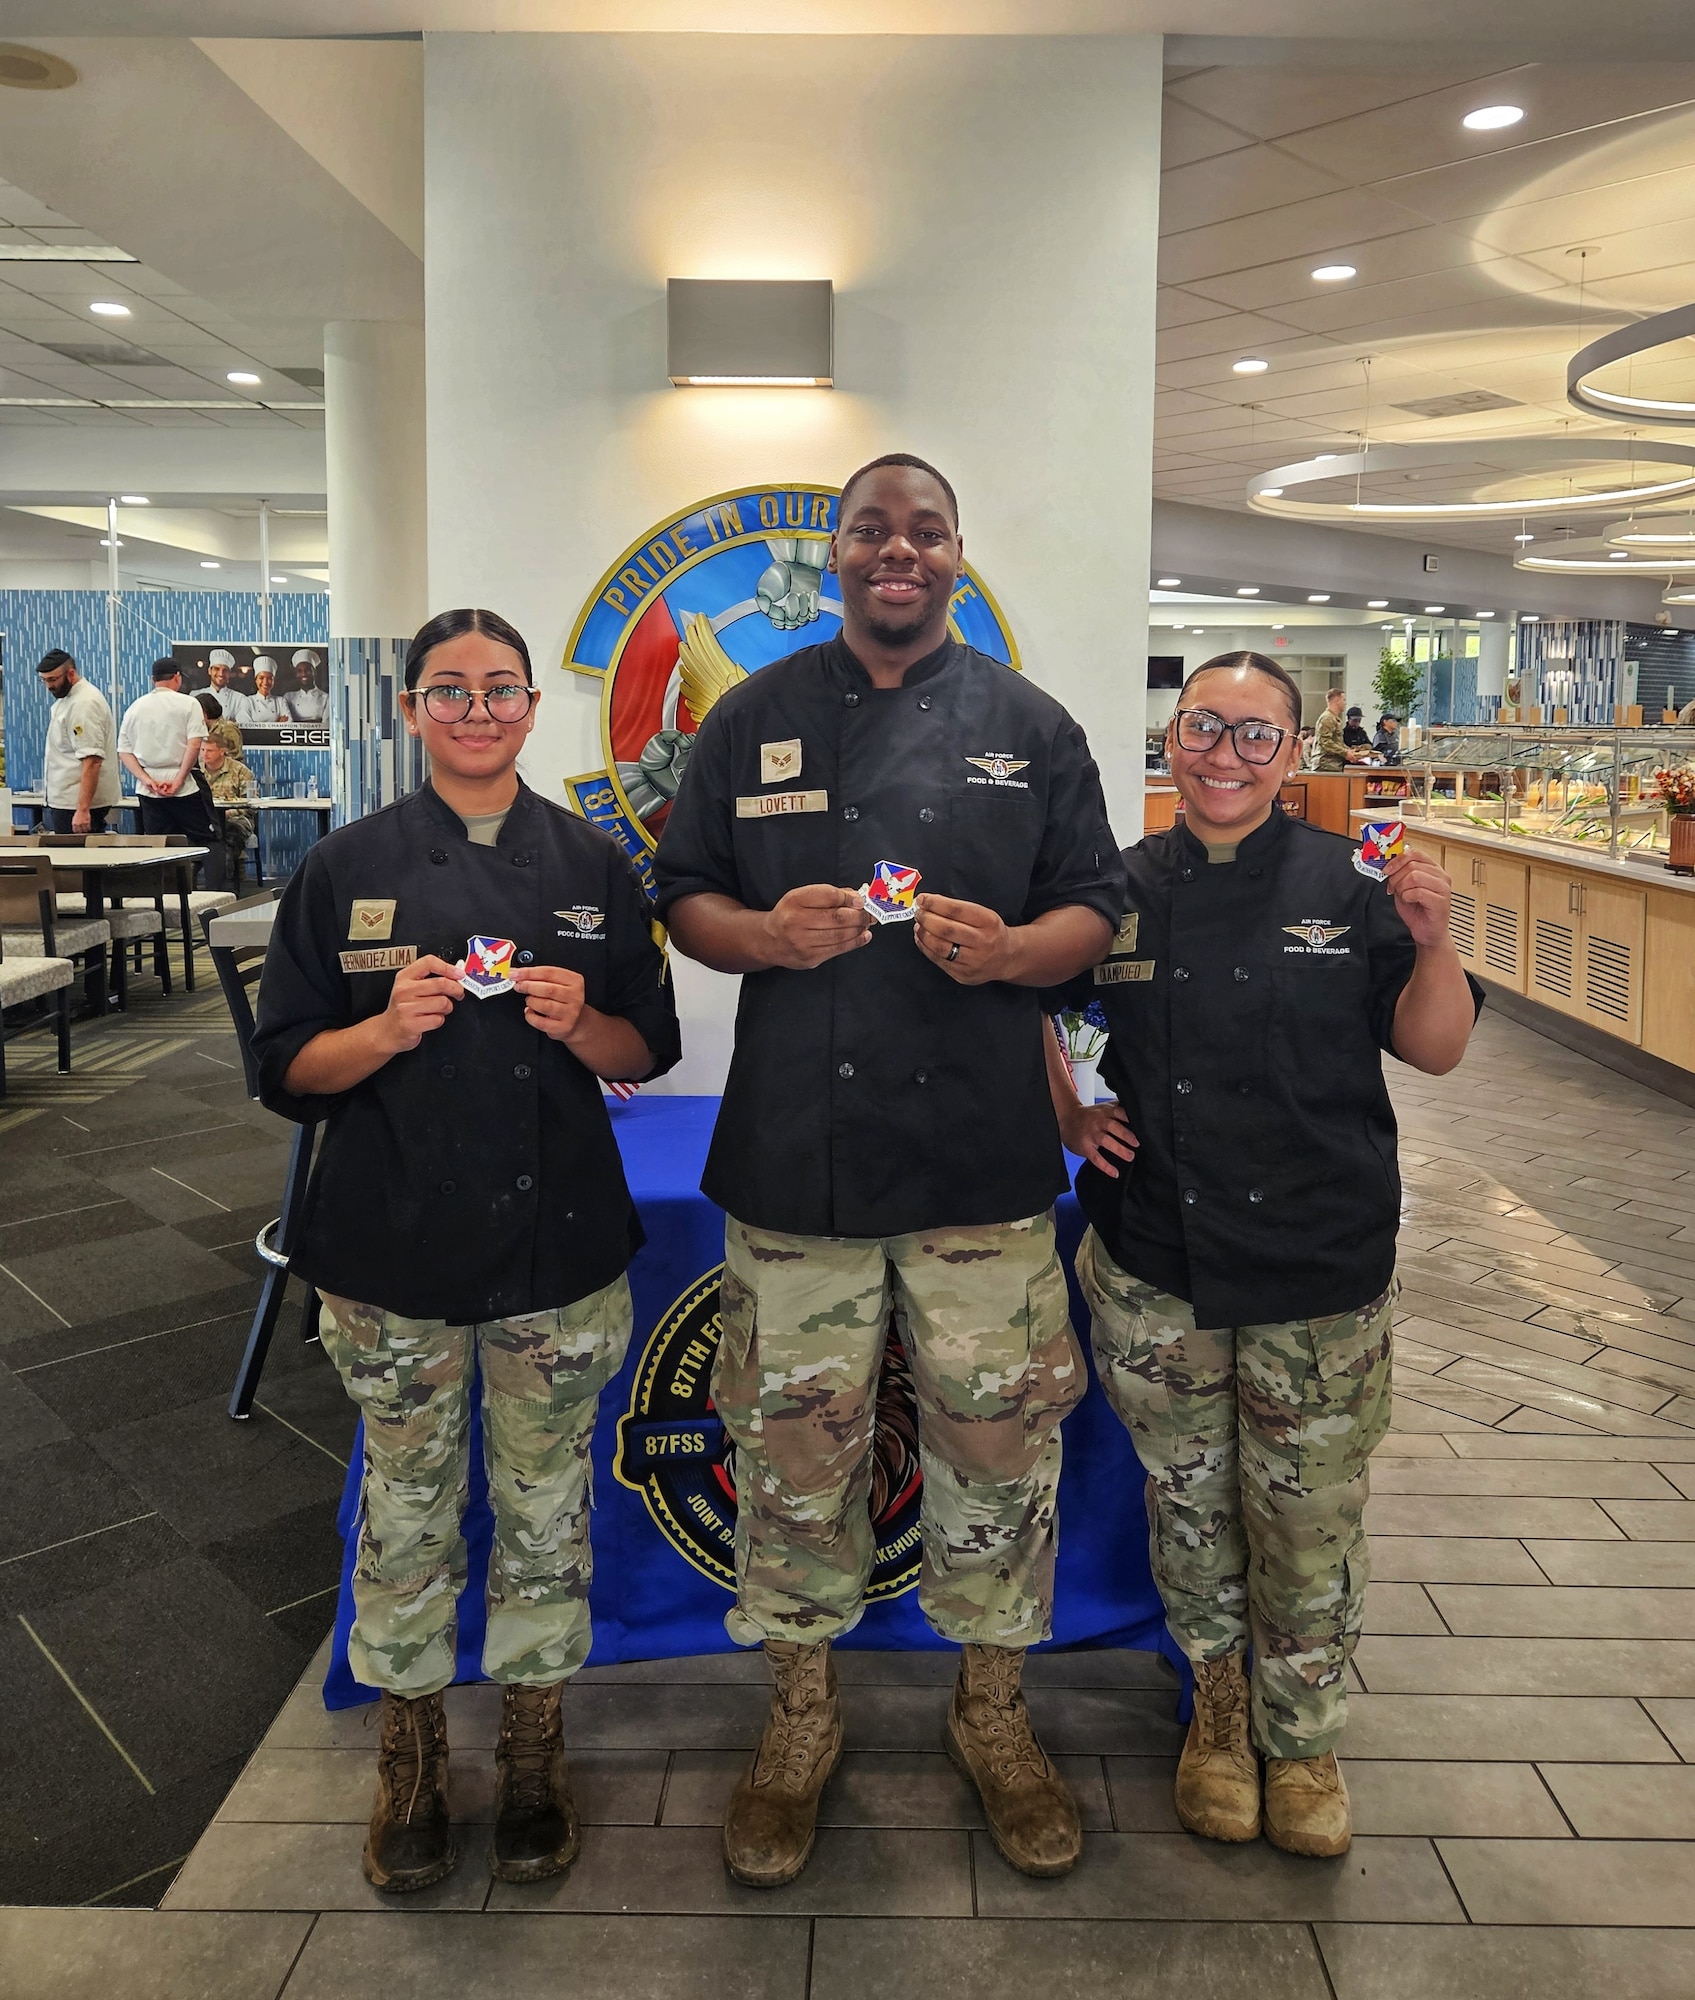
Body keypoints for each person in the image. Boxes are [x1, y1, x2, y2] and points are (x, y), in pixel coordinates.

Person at [653, 454, 1124, 1888]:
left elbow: (1094, 908)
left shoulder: (1028, 726)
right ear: (839, 554)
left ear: (955, 556)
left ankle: (992, 1711)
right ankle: (799, 1718)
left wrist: (1014, 955)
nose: (896, 553)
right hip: (796, 1153)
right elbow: (680, 896)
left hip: (979, 1161)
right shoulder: (753, 715)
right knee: (794, 1457)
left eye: (922, 533)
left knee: (993, 1445)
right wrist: (759, 937)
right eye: (871, 532)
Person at [251, 606, 680, 1895]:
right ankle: (415, 1747)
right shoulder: (344, 867)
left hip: (555, 1244)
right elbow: (283, 1069)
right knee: (406, 1510)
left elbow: (645, 1050)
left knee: (549, 1509)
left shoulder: (596, 861)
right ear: (413, 709)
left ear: (533, 707)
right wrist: (382, 1033)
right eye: (451, 689)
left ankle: (537, 1740)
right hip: (390, 1249)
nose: (478, 709)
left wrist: (582, 1016)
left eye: (501, 689)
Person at [1045, 649, 1480, 1861]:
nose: (1224, 754)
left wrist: (1437, 943)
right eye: (1202, 727)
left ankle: (1307, 1734)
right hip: (1158, 1261)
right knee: (1190, 1503)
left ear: (1293, 754)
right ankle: (1220, 1712)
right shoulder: (1114, 883)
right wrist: (1075, 1107)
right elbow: (1060, 1008)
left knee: (1308, 1514)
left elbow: (1435, 1049)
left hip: (1316, 1262)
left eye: (1254, 734)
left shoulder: (1353, 884)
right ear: (1169, 738)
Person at [117, 659, 216, 843]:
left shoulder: (135, 707)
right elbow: (194, 745)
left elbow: (124, 751)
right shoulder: (190, 703)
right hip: (185, 785)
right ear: (177, 677)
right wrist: (178, 780)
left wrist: (147, 780)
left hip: (150, 789)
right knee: (206, 841)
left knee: (160, 845)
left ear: (152, 679)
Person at [36, 649, 121, 834]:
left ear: (71, 673)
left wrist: (82, 810)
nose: (48, 686)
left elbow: (92, 761)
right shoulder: (67, 700)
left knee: (77, 861)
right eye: (44, 680)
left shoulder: (84, 703)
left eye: (53, 680)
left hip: (78, 805)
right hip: (68, 801)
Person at [200, 718, 257, 891]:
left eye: (209, 750)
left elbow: (251, 805)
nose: (204, 754)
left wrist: (228, 813)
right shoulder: (195, 772)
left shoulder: (241, 772)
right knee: (187, 841)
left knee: (227, 841)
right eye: (202, 750)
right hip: (205, 821)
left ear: (222, 751)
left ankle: (226, 890)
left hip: (236, 819)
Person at [222, 657, 288, 728]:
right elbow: (245, 725)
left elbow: (289, 724)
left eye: (269, 678)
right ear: (256, 680)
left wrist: (255, 723)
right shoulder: (247, 701)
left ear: (273, 681)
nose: (265, 682)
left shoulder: (281, 701)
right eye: (261, 678)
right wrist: (277, 723)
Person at [1311, 687, 1355, 771]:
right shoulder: (1327, 719)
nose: (1345, 703)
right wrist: (1345, 752)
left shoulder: (1334, 718)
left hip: (1332, 764)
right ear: (1337, 701)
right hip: (1325, 764)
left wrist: (1349, 751)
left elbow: (1336, 742)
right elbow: (1325, 742)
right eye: (1344, 700)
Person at [284, 649, 328, 722]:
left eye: (308, 670)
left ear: (315, 672)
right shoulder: (288, 697)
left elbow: (325, 723)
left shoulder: (326, 697)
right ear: (296, 674)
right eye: (299, 671)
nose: (303, 674)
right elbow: (286, 721)